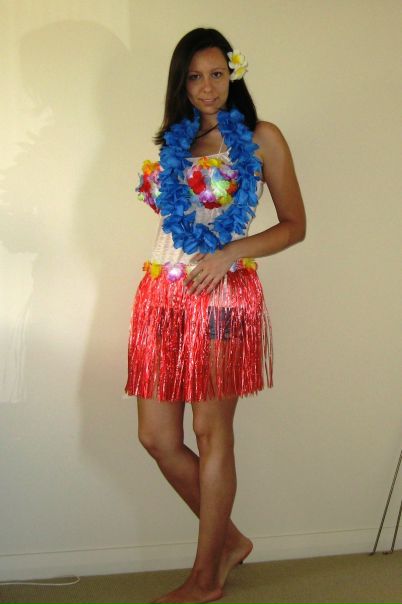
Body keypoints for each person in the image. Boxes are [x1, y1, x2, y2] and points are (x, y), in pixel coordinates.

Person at [125, 27, 306, 604]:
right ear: (181, 82)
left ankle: (206, 577)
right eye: (195, 77)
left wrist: (230, 252)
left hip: (224, 298)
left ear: (234, 74)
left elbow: (294, 225)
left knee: (210, 431)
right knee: (156, 437)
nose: (207, 87)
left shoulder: (261, 137)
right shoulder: (174, 143)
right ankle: (227, 542)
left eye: (217, 74)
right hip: (160, 294)